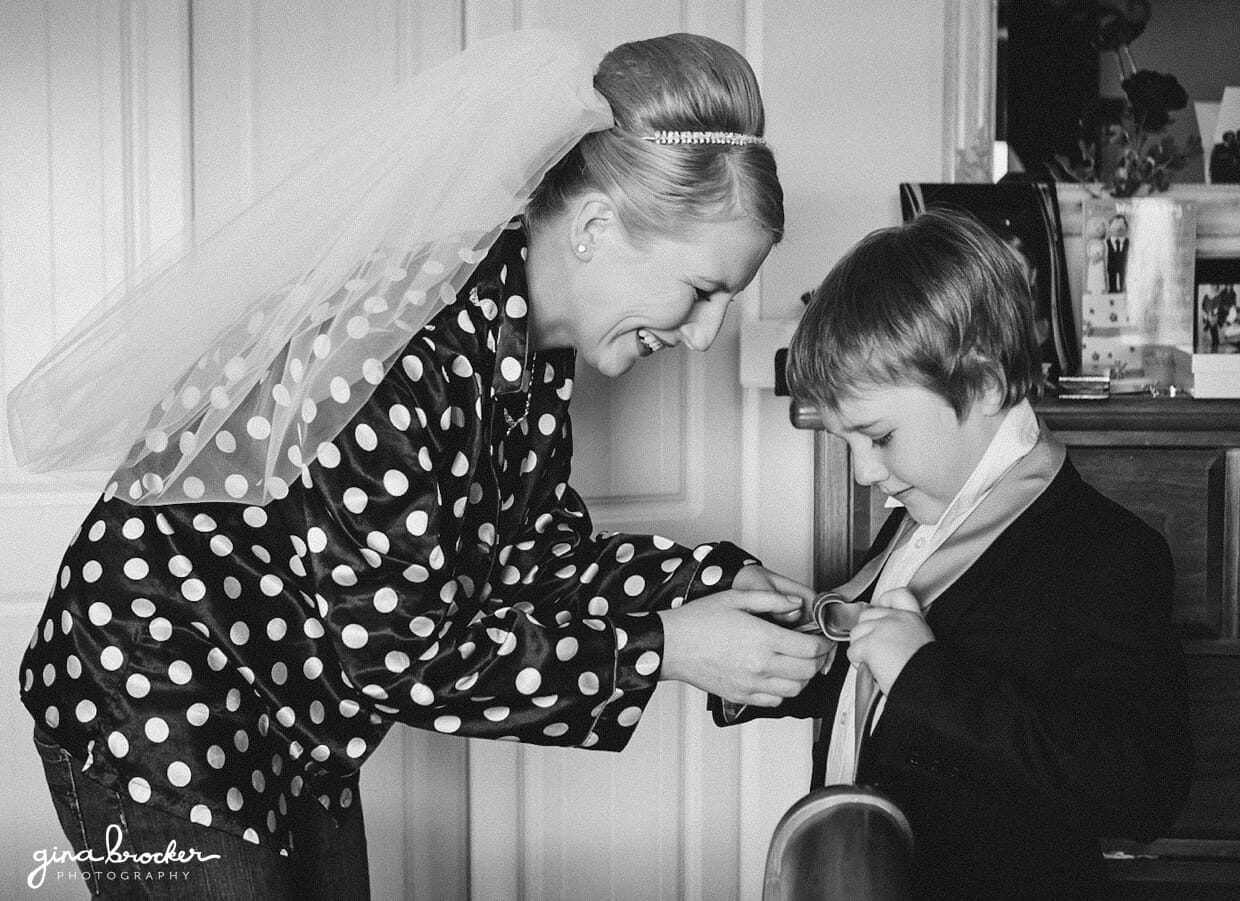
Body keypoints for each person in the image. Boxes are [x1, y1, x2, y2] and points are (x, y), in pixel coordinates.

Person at [11, 30, 830, 899]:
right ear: (595, 226)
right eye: (702, 292)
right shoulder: (402, 355)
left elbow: (531, 558)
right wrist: (667, 646)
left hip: (292, 705)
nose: (705, 334)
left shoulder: (526, 340)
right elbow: (406, 658)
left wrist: (713, 585)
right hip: (154, 703)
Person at [714, 209, 1191, 899]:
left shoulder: (1107, 554)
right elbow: (872, 685)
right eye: (845, 442)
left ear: (986, 385)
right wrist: (772, 656)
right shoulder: (921, 511)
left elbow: (1141, 787)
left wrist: (924, 675)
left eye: (878, 436)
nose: (864, 473)